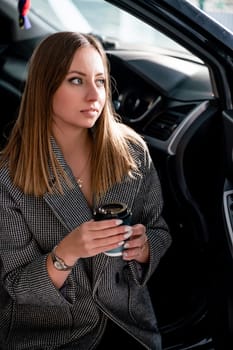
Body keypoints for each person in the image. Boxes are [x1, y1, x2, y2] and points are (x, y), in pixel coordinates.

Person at [0, 31, 172, 350]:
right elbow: (16, 285)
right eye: (76, 81)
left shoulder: (133, 152)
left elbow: (159, 229)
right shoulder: (9, 176)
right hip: (51, 336)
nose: (94, 96)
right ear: (45, 87)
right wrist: (66, 253)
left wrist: (144, 248)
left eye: (101, 81)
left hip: (128, 324)